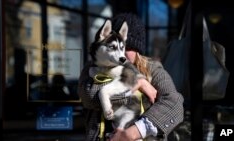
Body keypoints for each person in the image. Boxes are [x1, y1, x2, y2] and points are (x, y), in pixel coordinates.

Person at [78, 13, 184, 141]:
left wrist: (131, 133)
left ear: (138, 50)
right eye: (112, 47)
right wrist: (137, 82)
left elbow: (174, 104)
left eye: (126, 47)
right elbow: (89, 96)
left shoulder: (152, 69)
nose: (120, 53)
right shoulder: (92, 67)